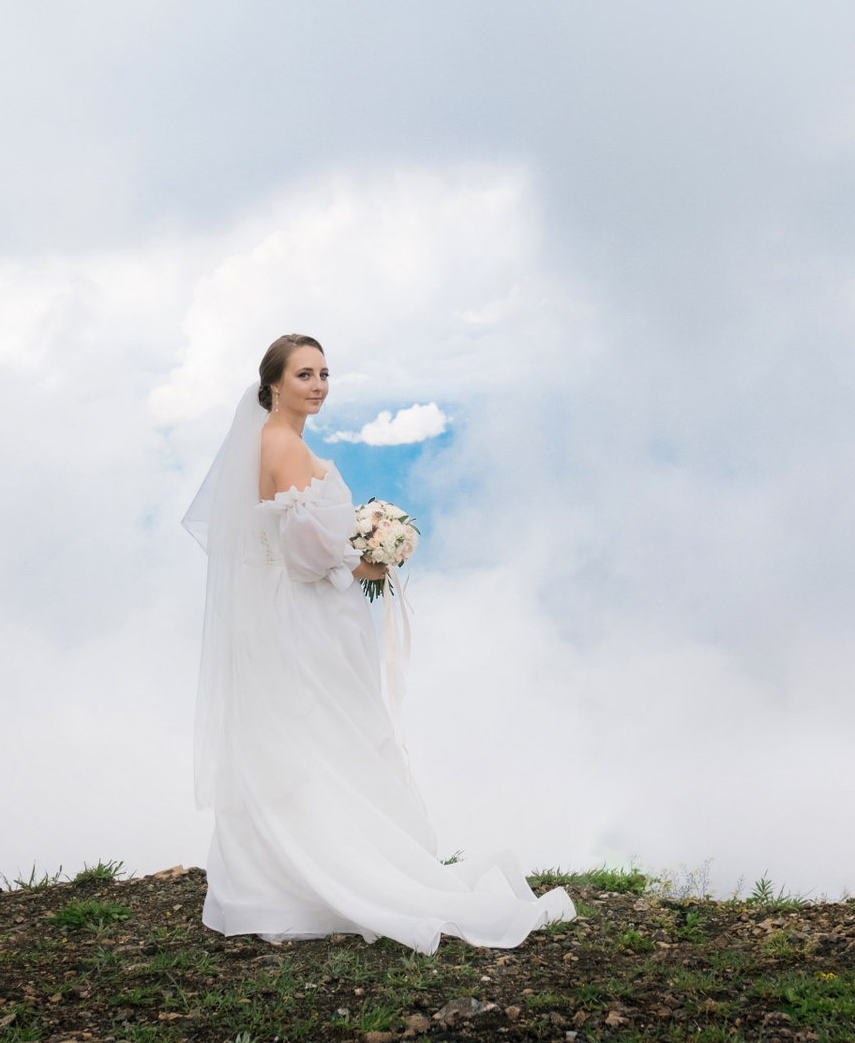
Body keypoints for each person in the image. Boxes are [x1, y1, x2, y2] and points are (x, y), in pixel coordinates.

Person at [182, 333, 575, 953]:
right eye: (304, 374)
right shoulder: (285, 446)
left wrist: (360, 544)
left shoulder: (274, 441)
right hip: (307, 617)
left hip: (293, 613)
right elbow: (304, 556)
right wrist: (367, 560)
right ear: (273, 384)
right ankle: (325, 875)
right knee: (324, 733)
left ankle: (281, 876)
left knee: (303, 735)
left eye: (324, 373)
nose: (318, 386)